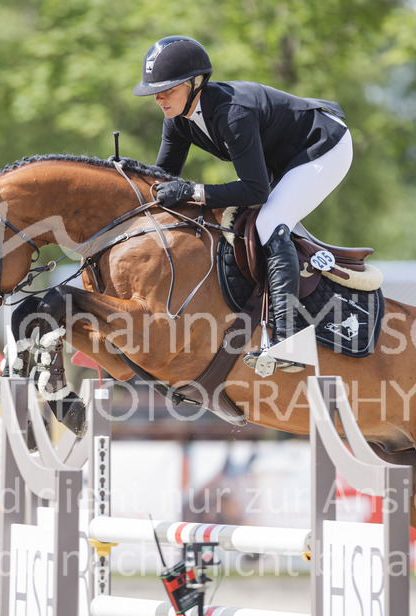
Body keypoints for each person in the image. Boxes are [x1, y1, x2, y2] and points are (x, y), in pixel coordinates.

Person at [131, 35, 353, 371]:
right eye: (154, 92)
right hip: (286, 158)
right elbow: (162, 180)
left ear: (195, 83)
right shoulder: (176, 120)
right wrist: (125, 176)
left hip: (323, 146)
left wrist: (193, 192)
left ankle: (291, 342)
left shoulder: (232, 113)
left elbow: (255, 190)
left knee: (269, 220)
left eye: (168, 88)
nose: (159, 97)